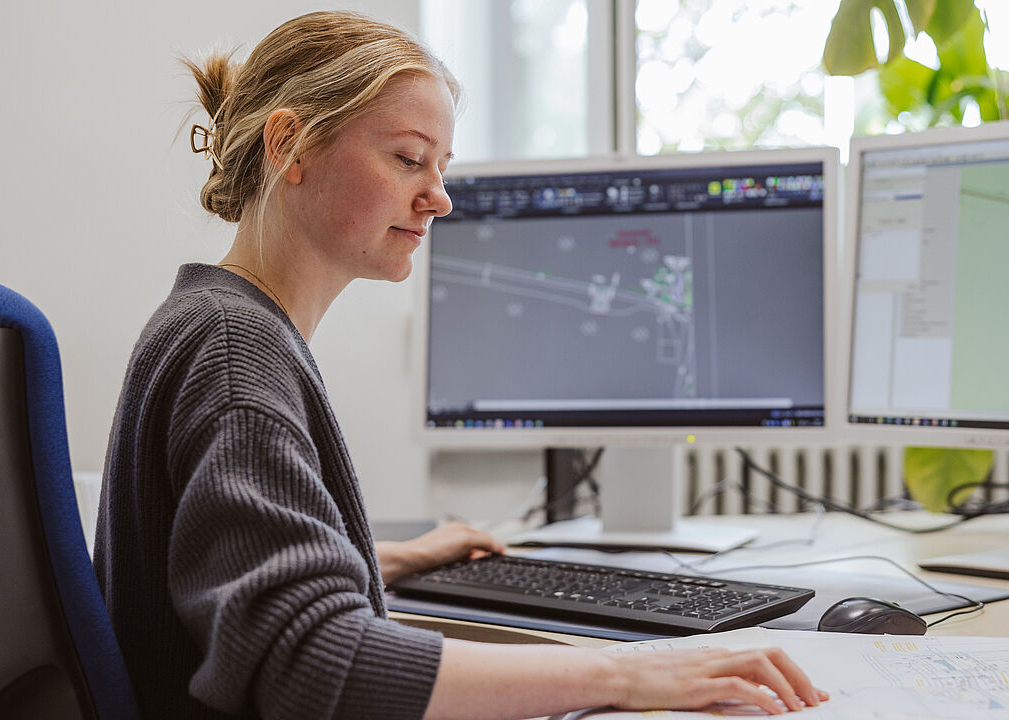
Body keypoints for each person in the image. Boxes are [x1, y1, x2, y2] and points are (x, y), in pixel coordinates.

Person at [94, 10, 828, 720]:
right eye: (408, 159)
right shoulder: (235, 352)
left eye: (441, 167)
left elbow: (211, 572)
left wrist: (372, 557)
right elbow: (314, 667)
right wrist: (630, 673)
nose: (440, 199)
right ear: (290, 145)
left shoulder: (210, 321)